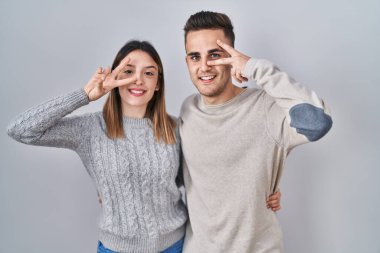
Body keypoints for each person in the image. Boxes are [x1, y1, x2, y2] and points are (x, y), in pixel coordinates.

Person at [7, 39, 282, 253]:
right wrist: (85, 95)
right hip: (116, 248)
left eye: (148, 73)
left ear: (157, 84)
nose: (138, 80)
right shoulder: (90, 129)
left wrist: (261, 191)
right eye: (128, 72)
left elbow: (207, 176)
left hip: (175, 245)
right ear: (115, 79)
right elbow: (20, 130)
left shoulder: (175, 127)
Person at [179, 11, 333, 252]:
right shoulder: (188, 110)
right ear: (187, 61)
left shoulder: (267, 108)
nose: (204, 66)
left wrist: (254, 67)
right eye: (194, 57)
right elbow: (173, 175)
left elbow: (318, 123)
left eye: (215, 55)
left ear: (232, 57)